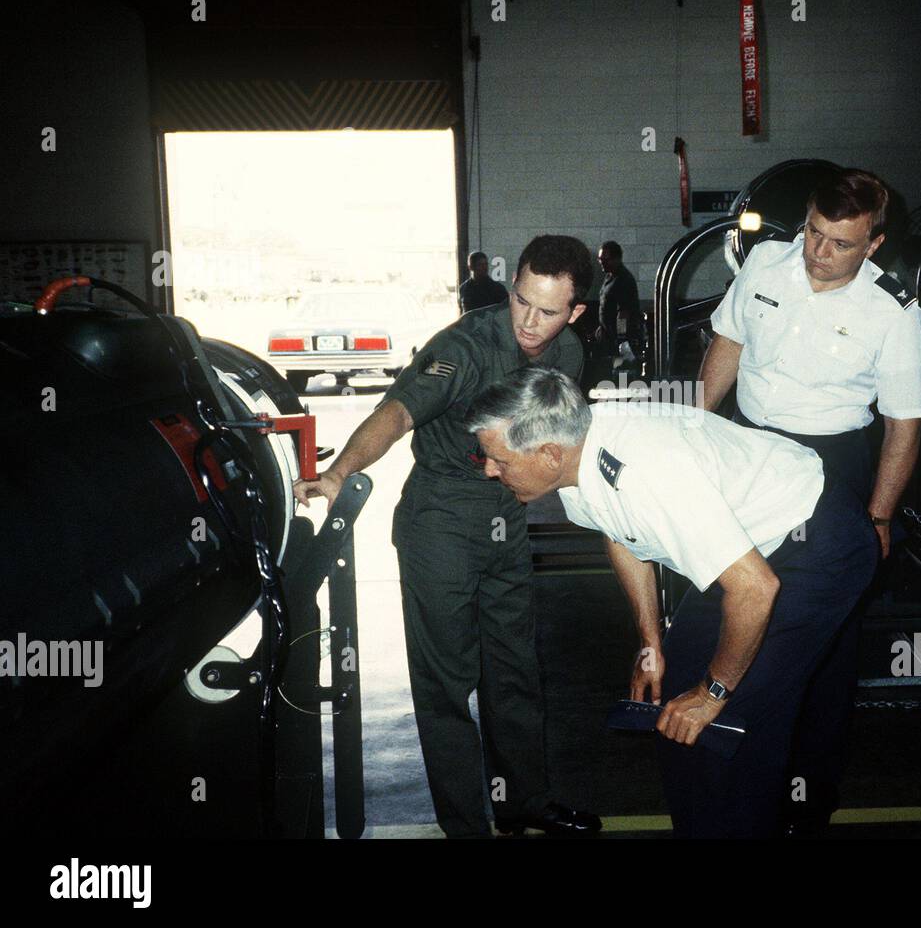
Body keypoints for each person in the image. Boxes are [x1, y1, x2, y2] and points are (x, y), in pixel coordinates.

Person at [464, 367, 877, 838]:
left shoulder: (649, 471)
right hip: (749, 551)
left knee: (732, 725)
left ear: (549, 453)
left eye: (497, 458)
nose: (490, 468)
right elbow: (619, 533)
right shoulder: (578, 452)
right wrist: (651, 642)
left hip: (816, 543)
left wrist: (713, 693)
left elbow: (756, 590)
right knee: (673, 705)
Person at [293, 235, 601, 838]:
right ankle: (465, 826)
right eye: (521, 303)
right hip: (442, 515)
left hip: (506, 513)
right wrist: (339, 471)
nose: (530, 322)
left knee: (515, 669)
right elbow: (398, 412)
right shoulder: (462, 345)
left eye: (549, 311)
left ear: (576, 312)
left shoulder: (567, 355)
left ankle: (524, 806)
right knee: (447, 683)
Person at [697, 167, 921, 834]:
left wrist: (879, 517)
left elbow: (905, 426)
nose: (818, 253)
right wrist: (692, 425)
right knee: (737, 609)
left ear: (874, 245)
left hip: (833, 467)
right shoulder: (767, 262)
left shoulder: (893, 313)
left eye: (839, 244)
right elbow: (727, 346)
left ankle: (807, 802)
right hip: (749, 450)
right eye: (813, 233)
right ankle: (737, 773)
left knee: (821, 642)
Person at [595, 241, 644, 366]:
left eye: (605, 259)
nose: (602, 262)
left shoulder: (623, 280)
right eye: (600, 259)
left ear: (617, 258)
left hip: (621, 339)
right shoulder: (610, 276)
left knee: (623, 371)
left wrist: (622, 339)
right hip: (610, 336)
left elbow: (623, 312)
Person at [458, 250, 509, 315]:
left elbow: (505, 313)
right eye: (480, 265)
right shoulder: (464, 289)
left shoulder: (497, 289)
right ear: (471, 267)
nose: (484, 268)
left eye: (486, 264)